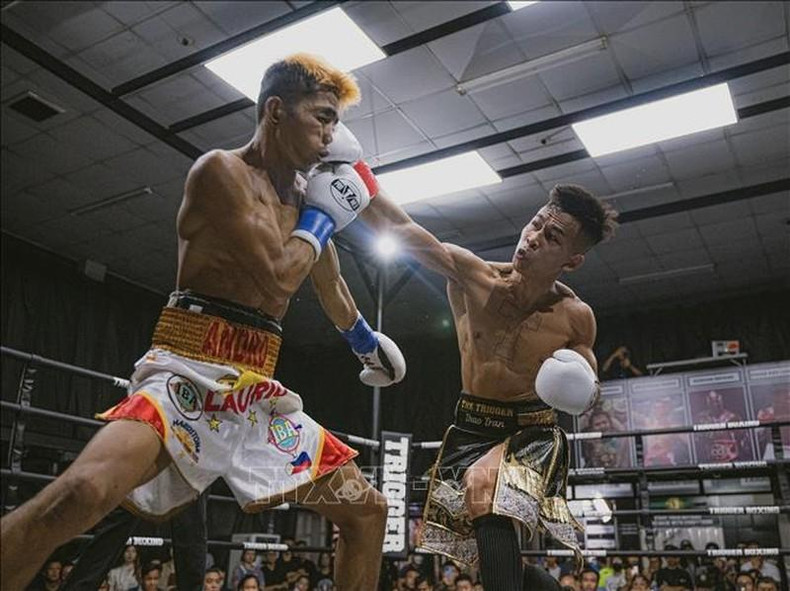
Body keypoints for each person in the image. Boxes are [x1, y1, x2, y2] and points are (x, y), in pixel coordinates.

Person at [1, 54, 404, 591]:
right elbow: (279, 280)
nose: (333, 134)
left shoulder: (306, 202)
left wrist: (364, 343)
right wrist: (324, 218)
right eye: (323, 117)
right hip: (186, 373)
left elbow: (330, 285)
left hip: (256, 393)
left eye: (336, 122)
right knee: (80, 495)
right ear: (277, 111)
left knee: (368, 512)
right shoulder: (222, 172)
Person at [325, 123, 616, 590]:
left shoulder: (576, 316)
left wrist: (581, 386)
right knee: (491, 560)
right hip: (471, 424)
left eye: (553, 237)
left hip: (532, 429)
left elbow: (588, 390)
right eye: (537, 222)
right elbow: (402, 228)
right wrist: (350, 168)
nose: (535, 236)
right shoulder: (471, 277)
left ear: (572, 260)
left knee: (485, 489)